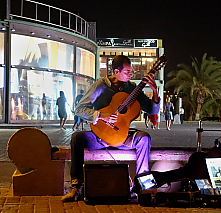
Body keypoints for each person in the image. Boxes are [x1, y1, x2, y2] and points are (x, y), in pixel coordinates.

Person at [61, 55, 160, 202]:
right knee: (77, 138)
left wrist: (155, 92)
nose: (131, 74)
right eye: (127, 71)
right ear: (116, 71)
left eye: (131, 71)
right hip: (100, 137)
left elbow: (152, 110)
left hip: (122, 137)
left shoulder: (132, 88)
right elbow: (79, 109)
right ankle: (77, 186)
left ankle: (141, 186)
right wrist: (101, 115)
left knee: (144, 138)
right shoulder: (100, 86)